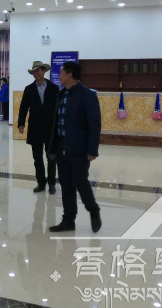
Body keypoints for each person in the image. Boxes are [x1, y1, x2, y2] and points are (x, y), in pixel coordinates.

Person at [47, 61, 102, 233]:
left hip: (78, 147)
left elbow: (94, 124)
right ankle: (68, 220)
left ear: (69, 75)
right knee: (66, 184)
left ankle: (93, 209)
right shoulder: (61, 94)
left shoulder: (87, 95)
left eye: (61, 72)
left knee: (80, 181)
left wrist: (92, 149)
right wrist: (52, 148)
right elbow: (56, 123)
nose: (59, 75)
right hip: (61, 145)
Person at [18, 61, 59, 194]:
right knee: (37, 158)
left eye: (38, 71)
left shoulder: (54, 88)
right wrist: (21, 123)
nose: (36, 73)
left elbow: (58, 108)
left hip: (50, 128)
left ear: (44, 71)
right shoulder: (29, 89)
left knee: (51, 157)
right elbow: (23, 107)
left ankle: (52, 183)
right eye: (34, 72)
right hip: (35, 128)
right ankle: (41, 182)